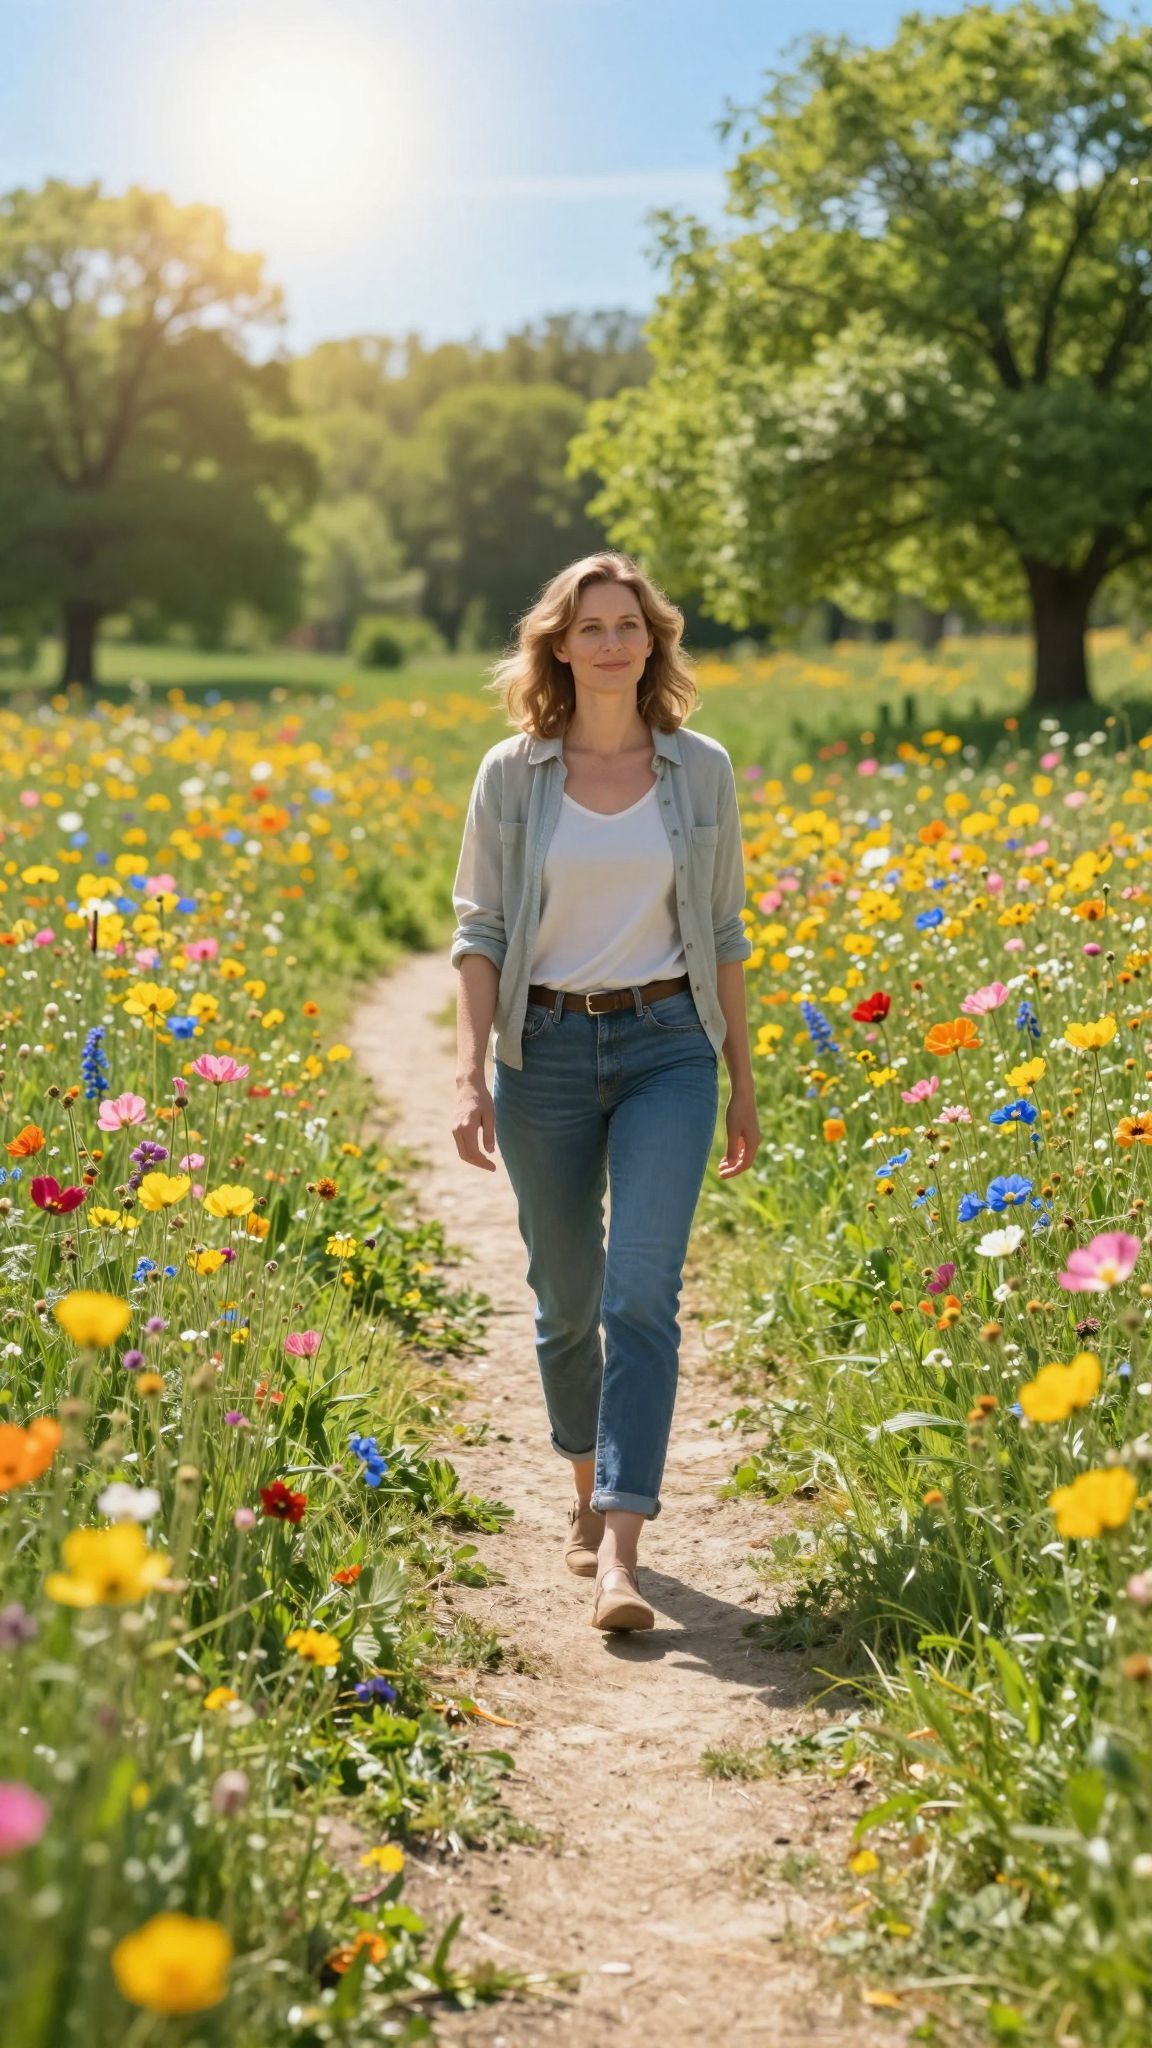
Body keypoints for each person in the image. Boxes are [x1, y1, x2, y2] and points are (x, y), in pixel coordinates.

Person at [450, 550, 760, 1632]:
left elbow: (722, 930)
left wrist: (742, 1082)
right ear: (560, 644)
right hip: (543, 1051)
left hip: (670, 1042)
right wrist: (469, 1072)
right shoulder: (512, 773)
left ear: (654, 640)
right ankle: (583, 1488)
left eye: (631, 623)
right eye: (593, 626)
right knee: (566, 1293)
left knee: (641, 1287)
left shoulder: (700, 768)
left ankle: (623, 1546)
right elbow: (480, 931)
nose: (614, 641)